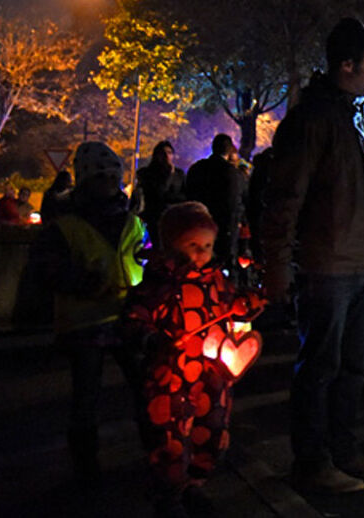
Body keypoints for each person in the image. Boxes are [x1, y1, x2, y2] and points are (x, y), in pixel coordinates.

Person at [260, 17, 364, 493]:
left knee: (354, 367)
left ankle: (343, 450)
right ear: (346, 64)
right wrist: (275, 263)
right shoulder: (311, 122)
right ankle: (312, 462)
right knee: (320, 368)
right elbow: (284, 198)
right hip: (327, 268)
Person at [120, 201, 264, 516]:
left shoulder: (216, 281)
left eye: (208, 246)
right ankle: (168, 493)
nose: (201, 253)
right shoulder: (158, 285)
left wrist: (247, 304)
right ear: (171, 246)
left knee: (211, 430)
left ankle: (194, 484)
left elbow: (233, 306)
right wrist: (150, 337)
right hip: (169, 376)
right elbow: (133, 318)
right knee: (170, 437)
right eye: (192, 245)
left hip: (211, 376)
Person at [29, 142, 148, 483]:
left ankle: (156, 448)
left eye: (113, 176)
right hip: (87, 324)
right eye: (102, 177)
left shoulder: (133, 222)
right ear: (84, 181)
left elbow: (148, 257)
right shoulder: (65, 227)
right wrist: (83, 282)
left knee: (146, 386)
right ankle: (86, 466)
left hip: (129, 317)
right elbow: (43, 270)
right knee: (86, 397)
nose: (109, 183)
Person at [186, 135, 245, 273]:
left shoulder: (197, 169)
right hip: (224, 228)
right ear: (229, 150)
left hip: (198, 225)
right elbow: (235, 203)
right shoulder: (232, 173)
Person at [134, 141, 187, 246]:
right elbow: (157, 194)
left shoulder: (179, 174)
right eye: (163, 153)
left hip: (174, 219)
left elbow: (185, 196)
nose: (167, 156)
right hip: (154, 220)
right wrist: (169, 176)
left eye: (170, 152)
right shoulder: (146, 173)